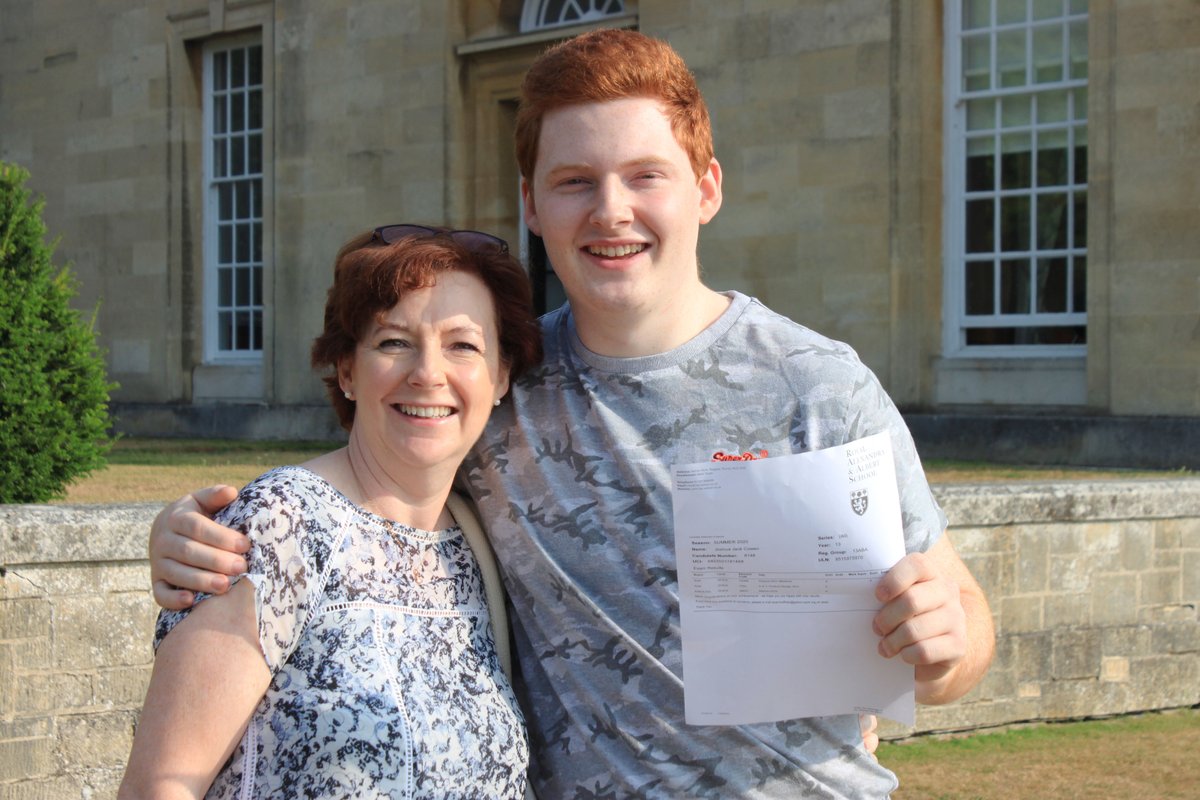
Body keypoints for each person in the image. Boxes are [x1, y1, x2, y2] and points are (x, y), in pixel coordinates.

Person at [148, 29, 995, 798]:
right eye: (575, 182)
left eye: (644, 177)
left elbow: (955, 626)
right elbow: (363, 493)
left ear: (705, 190)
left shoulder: (819, 385)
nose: (611, 210)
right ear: (532, 206)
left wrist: (950, 646)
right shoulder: (495, 385)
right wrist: (199, 536)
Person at [121, 226, 542, 799]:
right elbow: (160, 787)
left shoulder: (479, 542)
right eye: (394, 342)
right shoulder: (282, 525)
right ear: (347, 371)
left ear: (500, 376)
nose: (428, 372)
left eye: (462, 345)